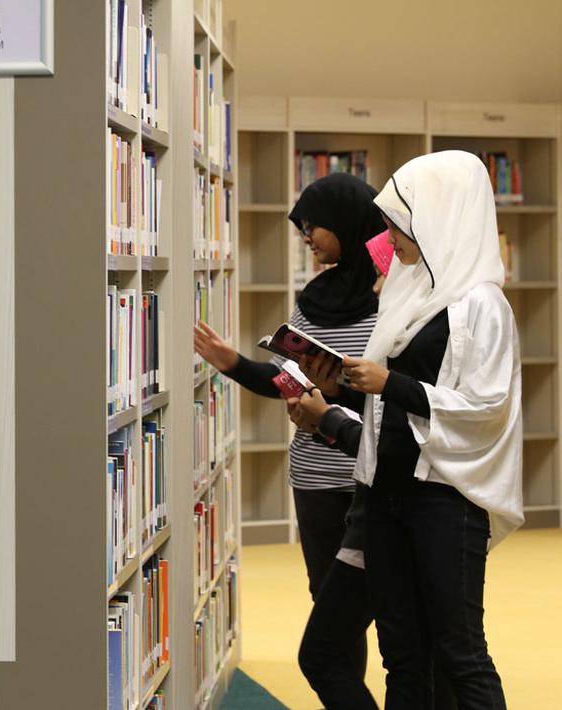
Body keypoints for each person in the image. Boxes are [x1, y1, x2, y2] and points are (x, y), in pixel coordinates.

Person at [289, 150, 523, 709]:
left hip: (443, 503)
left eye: (399, 225)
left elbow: (484, 406)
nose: (388, 240)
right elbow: (387, 407)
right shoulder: (406, 294)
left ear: (441, 217)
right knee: (402, 657)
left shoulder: (483, 306)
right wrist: (344, 387)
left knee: (460, 654)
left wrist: (388, 384)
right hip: (384, 498)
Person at [194, 172, 383, 695]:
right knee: (330, 609)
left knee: (378, 615)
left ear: (347, 223)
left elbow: (395, 395)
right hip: (315, 479)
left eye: (314, 224)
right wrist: (232, 362)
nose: (306, 234)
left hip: (368, 473)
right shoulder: (314, 295)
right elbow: (285, 381)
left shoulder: (390, 297)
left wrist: (337, 397)